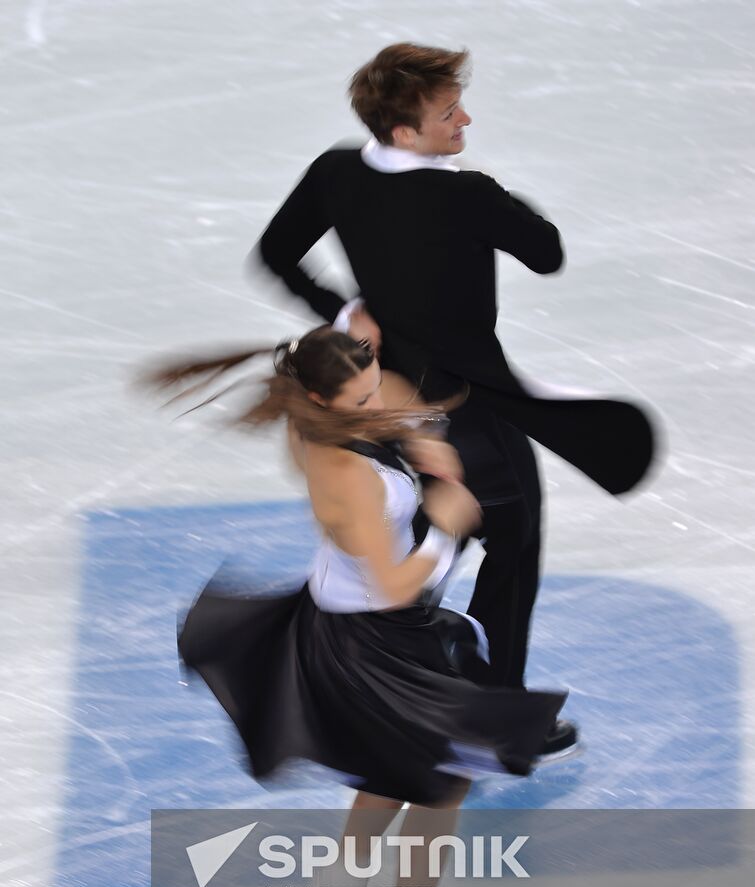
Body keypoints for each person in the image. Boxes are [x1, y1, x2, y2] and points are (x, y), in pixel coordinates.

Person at [254, 43, 656, 757]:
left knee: (417, 535)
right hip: (464, 406)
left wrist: (347, 309)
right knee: (511, 539)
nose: (463, 119)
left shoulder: (337, 171)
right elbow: (546, 251)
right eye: (447, 113)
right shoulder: (462, 195)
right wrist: (479, 188)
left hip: (381, 403)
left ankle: (392, 686)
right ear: (405, 131)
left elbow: (277, 251)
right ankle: (490, 717)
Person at [141, 326, 566, 887]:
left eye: (372, 392)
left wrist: (420, 439)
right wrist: (446, 527)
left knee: (389, 773)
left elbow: (385, 400)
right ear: (320, 396)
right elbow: (395, 587)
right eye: (361, 400)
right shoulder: (345, 472)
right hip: (371, 640)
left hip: (349, 621)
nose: (376, 405)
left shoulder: (316, 420)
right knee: (443, 780)